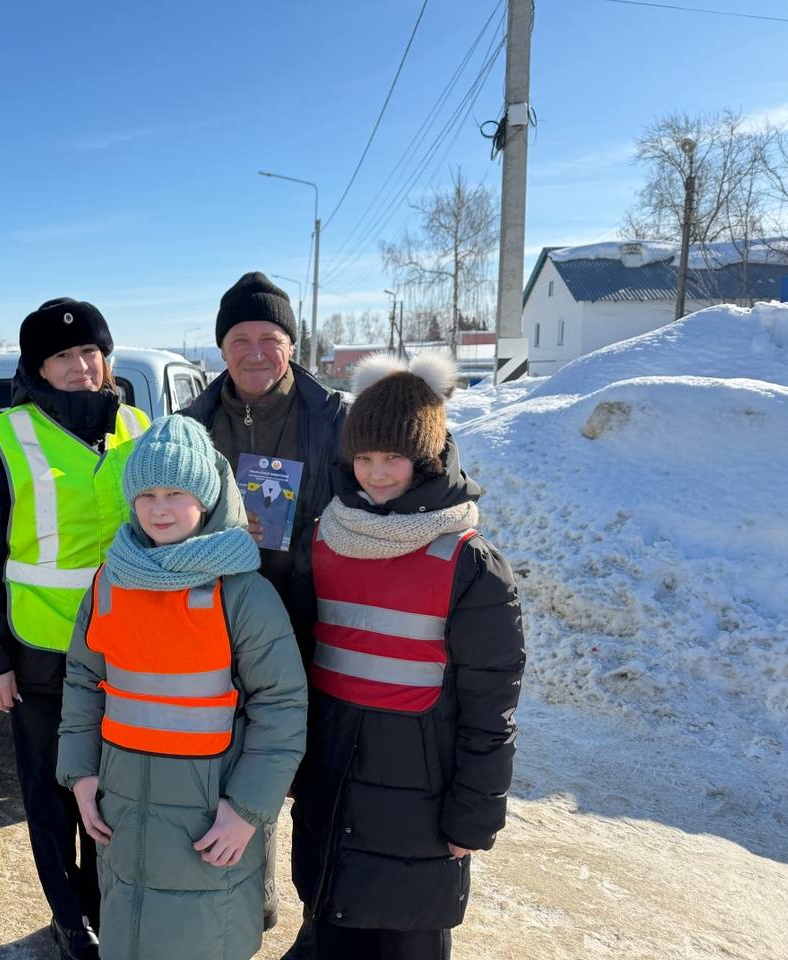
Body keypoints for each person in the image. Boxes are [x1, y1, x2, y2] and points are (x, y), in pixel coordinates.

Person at [289, 353, 526, 960]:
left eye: (392, 457)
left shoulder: (469, 563)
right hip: (331, 784)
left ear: (425, 458)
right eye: (363, 458)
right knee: (333, 932)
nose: (376, 474)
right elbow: (297, 670)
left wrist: (474, 814)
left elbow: (490, 707)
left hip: (419, 805)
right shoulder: (326, 539)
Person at [0, 298, 150, 960]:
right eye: (62, 356)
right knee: (53, 799)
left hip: (132, 657)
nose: (80, 365)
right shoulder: (3, 438)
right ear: (37, 368)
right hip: (43, 659)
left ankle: (109, 905)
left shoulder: (140, 427)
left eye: (90, 352)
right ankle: (70, 920)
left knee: (118, 793)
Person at [56, 415, 308, 960]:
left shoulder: (242, 593)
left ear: (207, 497)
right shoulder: (108, 582)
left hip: (210, 826)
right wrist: (81, 774)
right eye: (146, 494)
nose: (160, 508)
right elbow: (84, 680)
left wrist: (247, 809)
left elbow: (281, 706)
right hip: (122, 815)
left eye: (176, 493)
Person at [181, 270, 347, 948]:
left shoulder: (334, 417)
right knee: (238, 763)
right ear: (221, 348)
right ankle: (251, 897)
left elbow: (383, 490)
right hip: (222, 623)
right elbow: (161, 518)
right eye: (240, 339)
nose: (255, 352)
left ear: (291, 346)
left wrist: (309, 539)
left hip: (319, 621)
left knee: (317, 770)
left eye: (269, 338)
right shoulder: (192, 426)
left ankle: (322, 912)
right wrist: (218, 534)